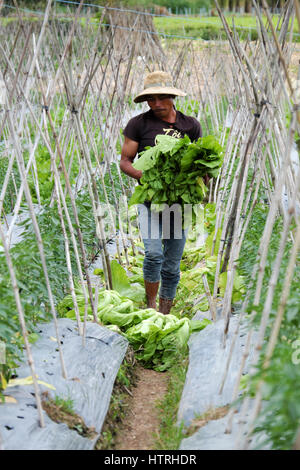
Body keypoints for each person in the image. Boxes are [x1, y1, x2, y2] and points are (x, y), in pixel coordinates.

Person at [120, 71, 202, 315]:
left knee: (172, 263)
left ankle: (166, 310)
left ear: (172, 97)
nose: (156, 104)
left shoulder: (190, 125)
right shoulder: (138, 124)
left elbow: (199, 161)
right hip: (149, 201)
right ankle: (151, 306)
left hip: (179, 204)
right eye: (151, 99)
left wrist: (200, 177)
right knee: (154, 253)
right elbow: (125, 161)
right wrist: (144, 177)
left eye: (161, 98)